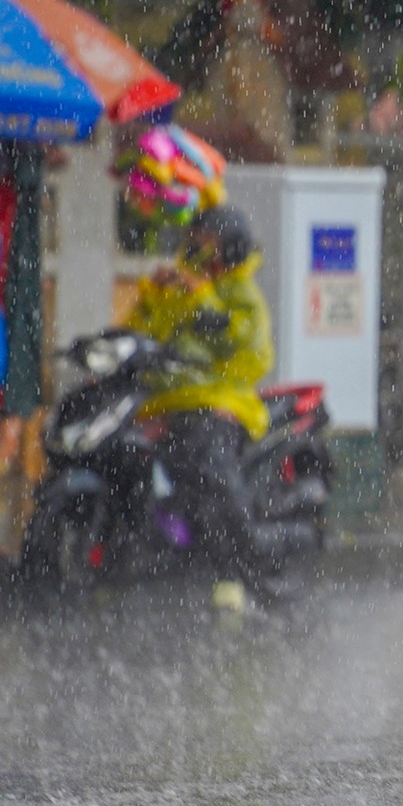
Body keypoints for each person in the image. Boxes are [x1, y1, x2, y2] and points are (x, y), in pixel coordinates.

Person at [125, 203, 276, 590]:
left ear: (229, 249)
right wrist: (155, 295)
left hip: (221, 401)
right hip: (166, 402)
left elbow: (240, 342)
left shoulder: (241, 293)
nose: (196, 251)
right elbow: (146, 332)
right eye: (193, 242)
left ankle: (242, 568)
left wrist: (203, 296)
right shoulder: (185, 284)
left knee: (213, 473)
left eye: (206, 244)